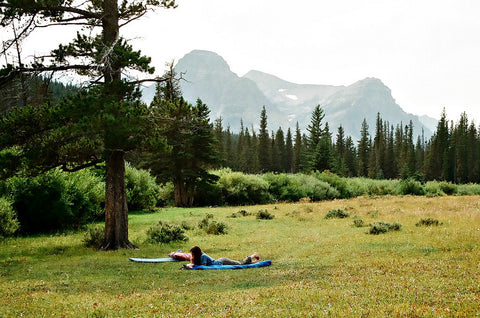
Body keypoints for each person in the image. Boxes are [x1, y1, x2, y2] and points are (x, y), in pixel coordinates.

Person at [187, 246, 260, 268]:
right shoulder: (199, 257)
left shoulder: (203, 256)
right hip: (220, 261)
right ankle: (254, 262)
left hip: (223, 262)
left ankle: (253, 255)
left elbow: (203, 266)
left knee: (240, 264)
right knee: (240, 263)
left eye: (193, 254)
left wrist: (192, 262)